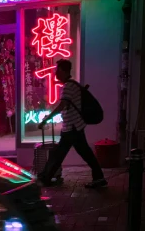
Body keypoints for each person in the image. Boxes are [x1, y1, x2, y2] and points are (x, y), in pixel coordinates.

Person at [37, 59, 107, 189]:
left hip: (73, 128)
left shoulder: (68, 86)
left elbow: (62, 105)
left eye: (57, 70)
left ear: (64, 71)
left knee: (63, 153)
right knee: (65, 153)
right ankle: (46, 177)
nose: (55, 73)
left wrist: (46, 120)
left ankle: (45, 178)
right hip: (72, 127)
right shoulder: (71, 85)